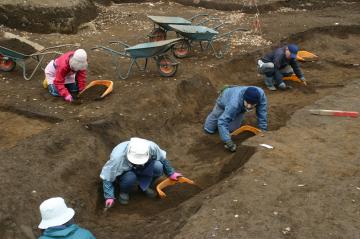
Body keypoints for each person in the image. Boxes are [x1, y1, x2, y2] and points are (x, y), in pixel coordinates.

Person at [100, 137, 182, 207]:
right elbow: (107, 177)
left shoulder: (151, 147)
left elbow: (162, 159)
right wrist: (109, 196)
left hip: (144, 166)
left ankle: (144, 186)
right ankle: (124, 192)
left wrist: (171, 173)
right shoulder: (117, 158)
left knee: (158, 167)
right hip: (126, 172)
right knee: (130, 177)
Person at [204, 86, 267, 152]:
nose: (249, 106)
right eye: (247, 103)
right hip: (224, 100)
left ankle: (224, 129)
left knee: (232, 129)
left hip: (240, 107)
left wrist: (263, 130)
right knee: (209, 128)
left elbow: (262, 112)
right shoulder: (234, 104)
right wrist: (228, 141)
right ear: (243, 98)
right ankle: (212, 127)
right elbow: (222, 121)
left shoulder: (261, 95)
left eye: (252, 104)